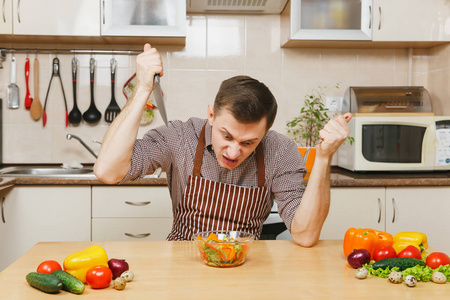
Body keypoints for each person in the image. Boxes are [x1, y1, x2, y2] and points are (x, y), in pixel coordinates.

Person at [94, 43, 352, 247]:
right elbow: (107, 171)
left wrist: (323, 157)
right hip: (182, 260)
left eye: (248, 142)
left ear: (265, 133)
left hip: (247, 264)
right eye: (226, 136)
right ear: (211, 116)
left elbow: (305, 235)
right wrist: (143, 88)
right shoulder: (180, 136)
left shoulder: (280, 151)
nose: (233, 152)